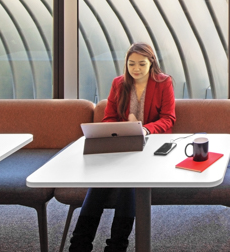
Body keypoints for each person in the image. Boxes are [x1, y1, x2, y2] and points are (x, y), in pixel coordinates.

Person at [69, 42, 176, 252]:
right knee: (99, 182)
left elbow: (168, 118)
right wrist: (123, 129)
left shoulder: (164, 82)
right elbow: (108, 118)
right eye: (131, 64)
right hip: (121, 144)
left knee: (129, 181)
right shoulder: (119, 83)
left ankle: (117, 245)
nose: (136, 69)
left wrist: (144, 129)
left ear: (151, 63)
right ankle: (79, 244)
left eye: (141, 64)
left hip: (149, 145)